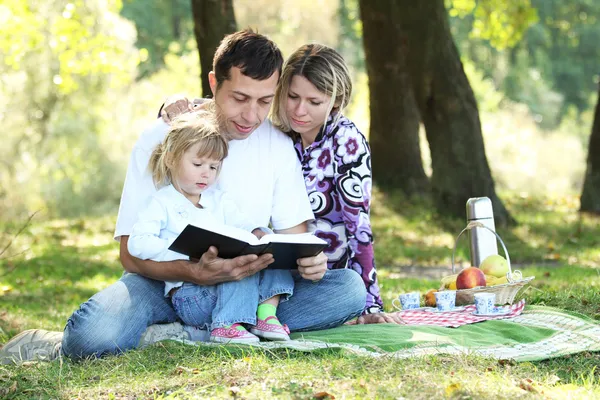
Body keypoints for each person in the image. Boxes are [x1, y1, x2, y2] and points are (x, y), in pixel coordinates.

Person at [0, 29, 366, 364]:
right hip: (163, 284)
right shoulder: (160, 138)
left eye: (264, 101)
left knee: (347, 290)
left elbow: (294, 240)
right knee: (91, 338)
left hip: (244, 287)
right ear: (213, 82)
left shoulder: (277, 146)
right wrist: (193, 271)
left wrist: (309, 263)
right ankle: (209, 330)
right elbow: (130, 254)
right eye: (239, 98)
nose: (251, 115)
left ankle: (181, 335)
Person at [128, 110, 293, 343]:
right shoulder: (163, 202)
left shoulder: (218, 200)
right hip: (191, 295)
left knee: (267, 241)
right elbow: (138, 243)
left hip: (222, 290)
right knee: (237, 267)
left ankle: (266, 314)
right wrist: (186, 253)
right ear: (171, 159)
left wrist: (257, 234)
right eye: (198, 164)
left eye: (214, 167)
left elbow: (244, 225)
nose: (206, 173)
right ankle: (226, 325)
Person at [271, 44, 396, 322]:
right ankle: (261, 317)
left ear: (335, 101)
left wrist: (371, 304)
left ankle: (259, 319)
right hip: (272, 275)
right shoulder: (275, 136)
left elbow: (358, 229)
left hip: (323, 281)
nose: (299, 110)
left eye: (314, 102)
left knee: (349, 290)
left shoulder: (346, 142)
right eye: (292, 97)